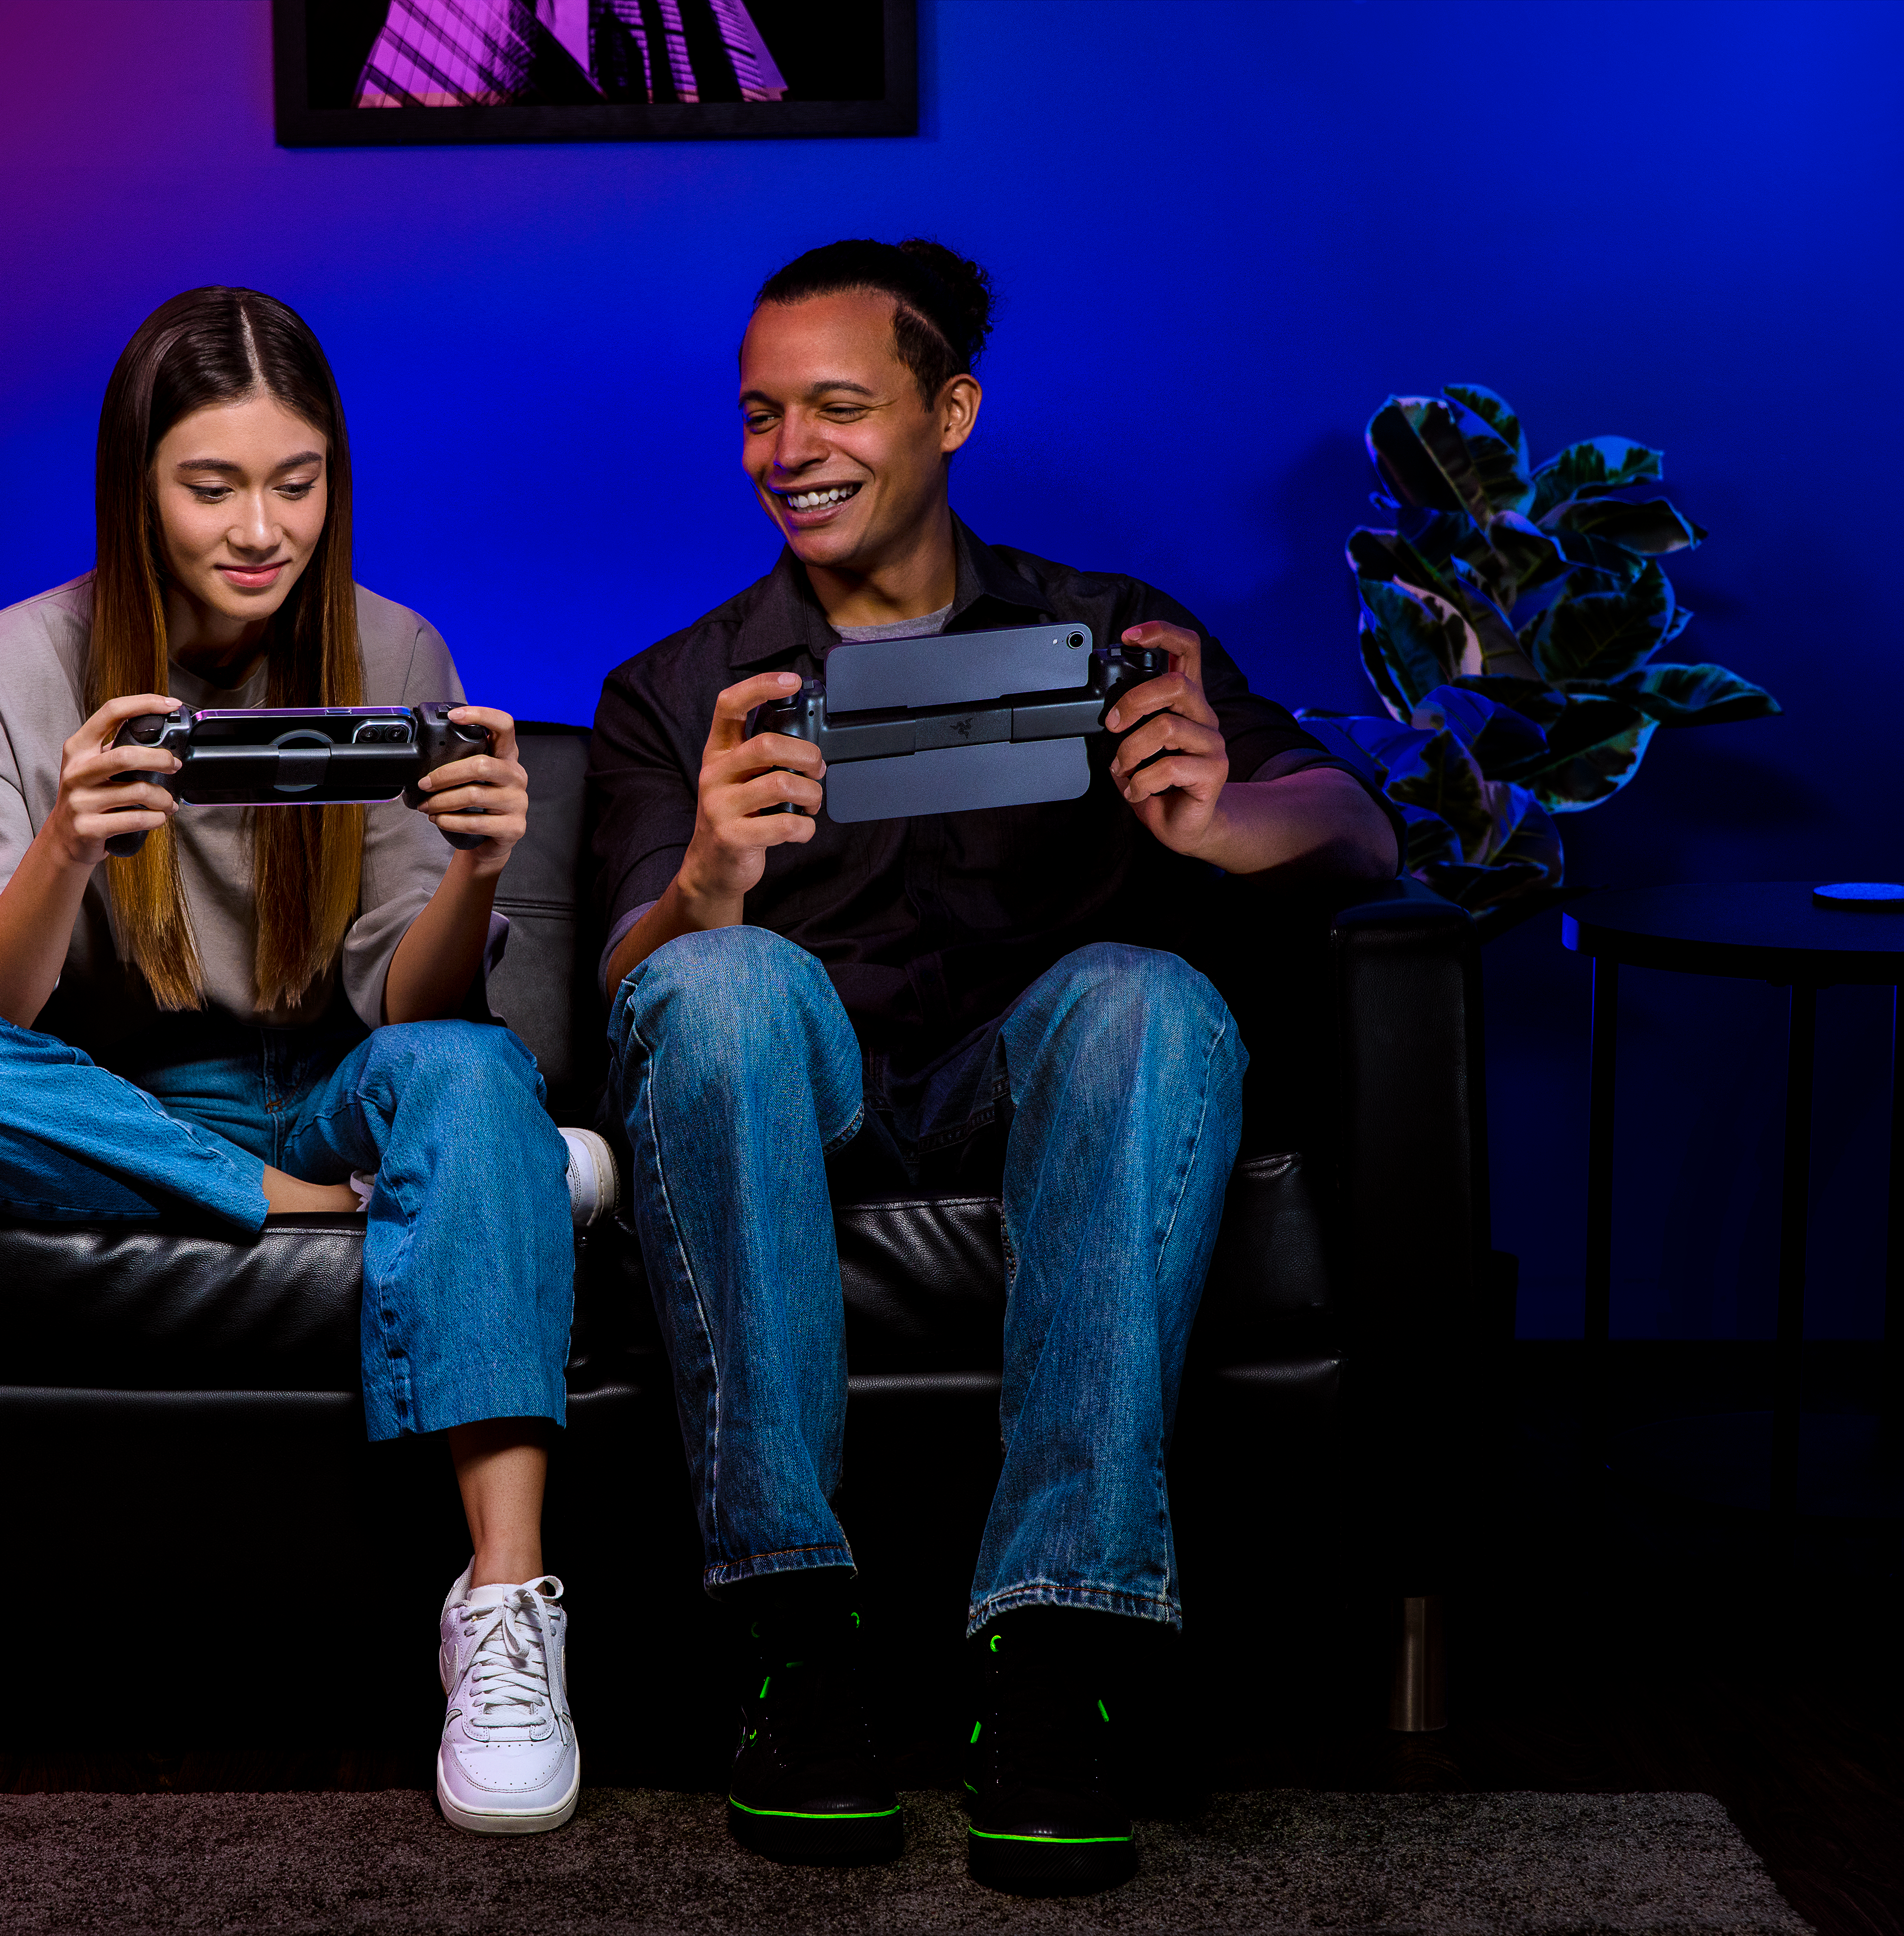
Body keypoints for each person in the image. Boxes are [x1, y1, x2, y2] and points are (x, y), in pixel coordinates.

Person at [588, 239, 1398, 1896]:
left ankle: (1055, 1656)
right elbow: (622, 984)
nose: (787, 451)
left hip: (1029, 1088)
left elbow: (1360, 828)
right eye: (758, 416)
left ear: (949, 410)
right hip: (792, 1091)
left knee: (1148, 994)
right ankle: (795, 1638)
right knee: (721, 984)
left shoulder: (1111, 635)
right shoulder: (676, 691)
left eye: (835, 406)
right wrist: (705, 885)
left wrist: (1224, 819)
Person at [0, 287, 584, 1837]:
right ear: (138, 485)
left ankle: (508, 1608)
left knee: (469, 1074)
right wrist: (69, 839)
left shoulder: (391, 643)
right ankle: (399, 1203)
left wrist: (476, 869)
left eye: (298, 480)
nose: (261, 527)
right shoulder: (16, 660)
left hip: (346, 1076)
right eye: (213, 486)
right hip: (125, 1105)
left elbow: (417, 1009)